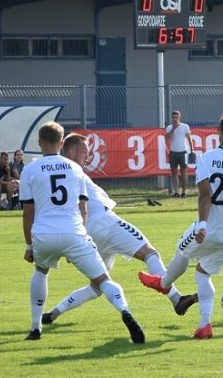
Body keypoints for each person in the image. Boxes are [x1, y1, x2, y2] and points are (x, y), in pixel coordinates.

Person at [140, 112, 223, 339]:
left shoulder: (206, 159)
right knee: (202, 275)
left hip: (208, 230)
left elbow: (205, 196)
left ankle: (164, 283)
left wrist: (202, 224)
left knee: (182, 251)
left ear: (218, 131)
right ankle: (204, 325)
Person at [41, 134, 198, 326]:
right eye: (85, 151)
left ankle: (52, 314)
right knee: (149, 253)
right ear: (72, 151)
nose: (88, 156)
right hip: (104, 221)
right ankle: (176, 299)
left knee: (98, 285)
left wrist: (76, 239)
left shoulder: (61, 174)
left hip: (86, 232)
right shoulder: (75, 171)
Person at [19, 121, 145, 343]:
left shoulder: (29, 169)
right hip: (74, 232)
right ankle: (125, 311)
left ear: (39, 143)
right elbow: (83, 208)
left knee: (41, 271)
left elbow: (28, 213)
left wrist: (29, 246)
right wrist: (80, 238)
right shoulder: (75, 169)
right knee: (104, 280)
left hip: (44, 233)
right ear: (61, 143)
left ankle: (36, 327)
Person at [165, 110, 194, 197]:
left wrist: (192, 150)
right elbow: (167, 138)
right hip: (173, 152)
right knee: (174, 172)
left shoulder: (185, 126)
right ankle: (176, 191)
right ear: (172, 118)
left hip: (183, 152)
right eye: (173, 117)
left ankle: (184, 192)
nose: (175, 119)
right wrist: (173, 128)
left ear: (179, 117)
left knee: (184, 172)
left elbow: (189, 138)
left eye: (176, 117)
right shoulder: (169, 127)